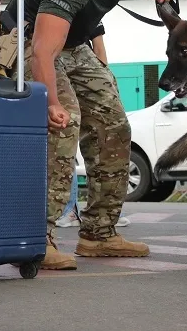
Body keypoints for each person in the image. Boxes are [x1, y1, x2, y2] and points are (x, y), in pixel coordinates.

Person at [3, 0, 168, 270]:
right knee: (65, 122)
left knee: (114, 125)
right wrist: (51, 103)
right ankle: (36, 239)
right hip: (34, 41)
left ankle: (98, 234)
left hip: (75, 44)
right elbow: (44, 52)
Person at [56, 22, 131, 229]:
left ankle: (107, 215)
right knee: (64, 148)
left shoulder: (87, 5)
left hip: (87, 76)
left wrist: (105, 84)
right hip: (58, 72)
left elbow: (98, 46)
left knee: (105, 142)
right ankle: (68, 210)